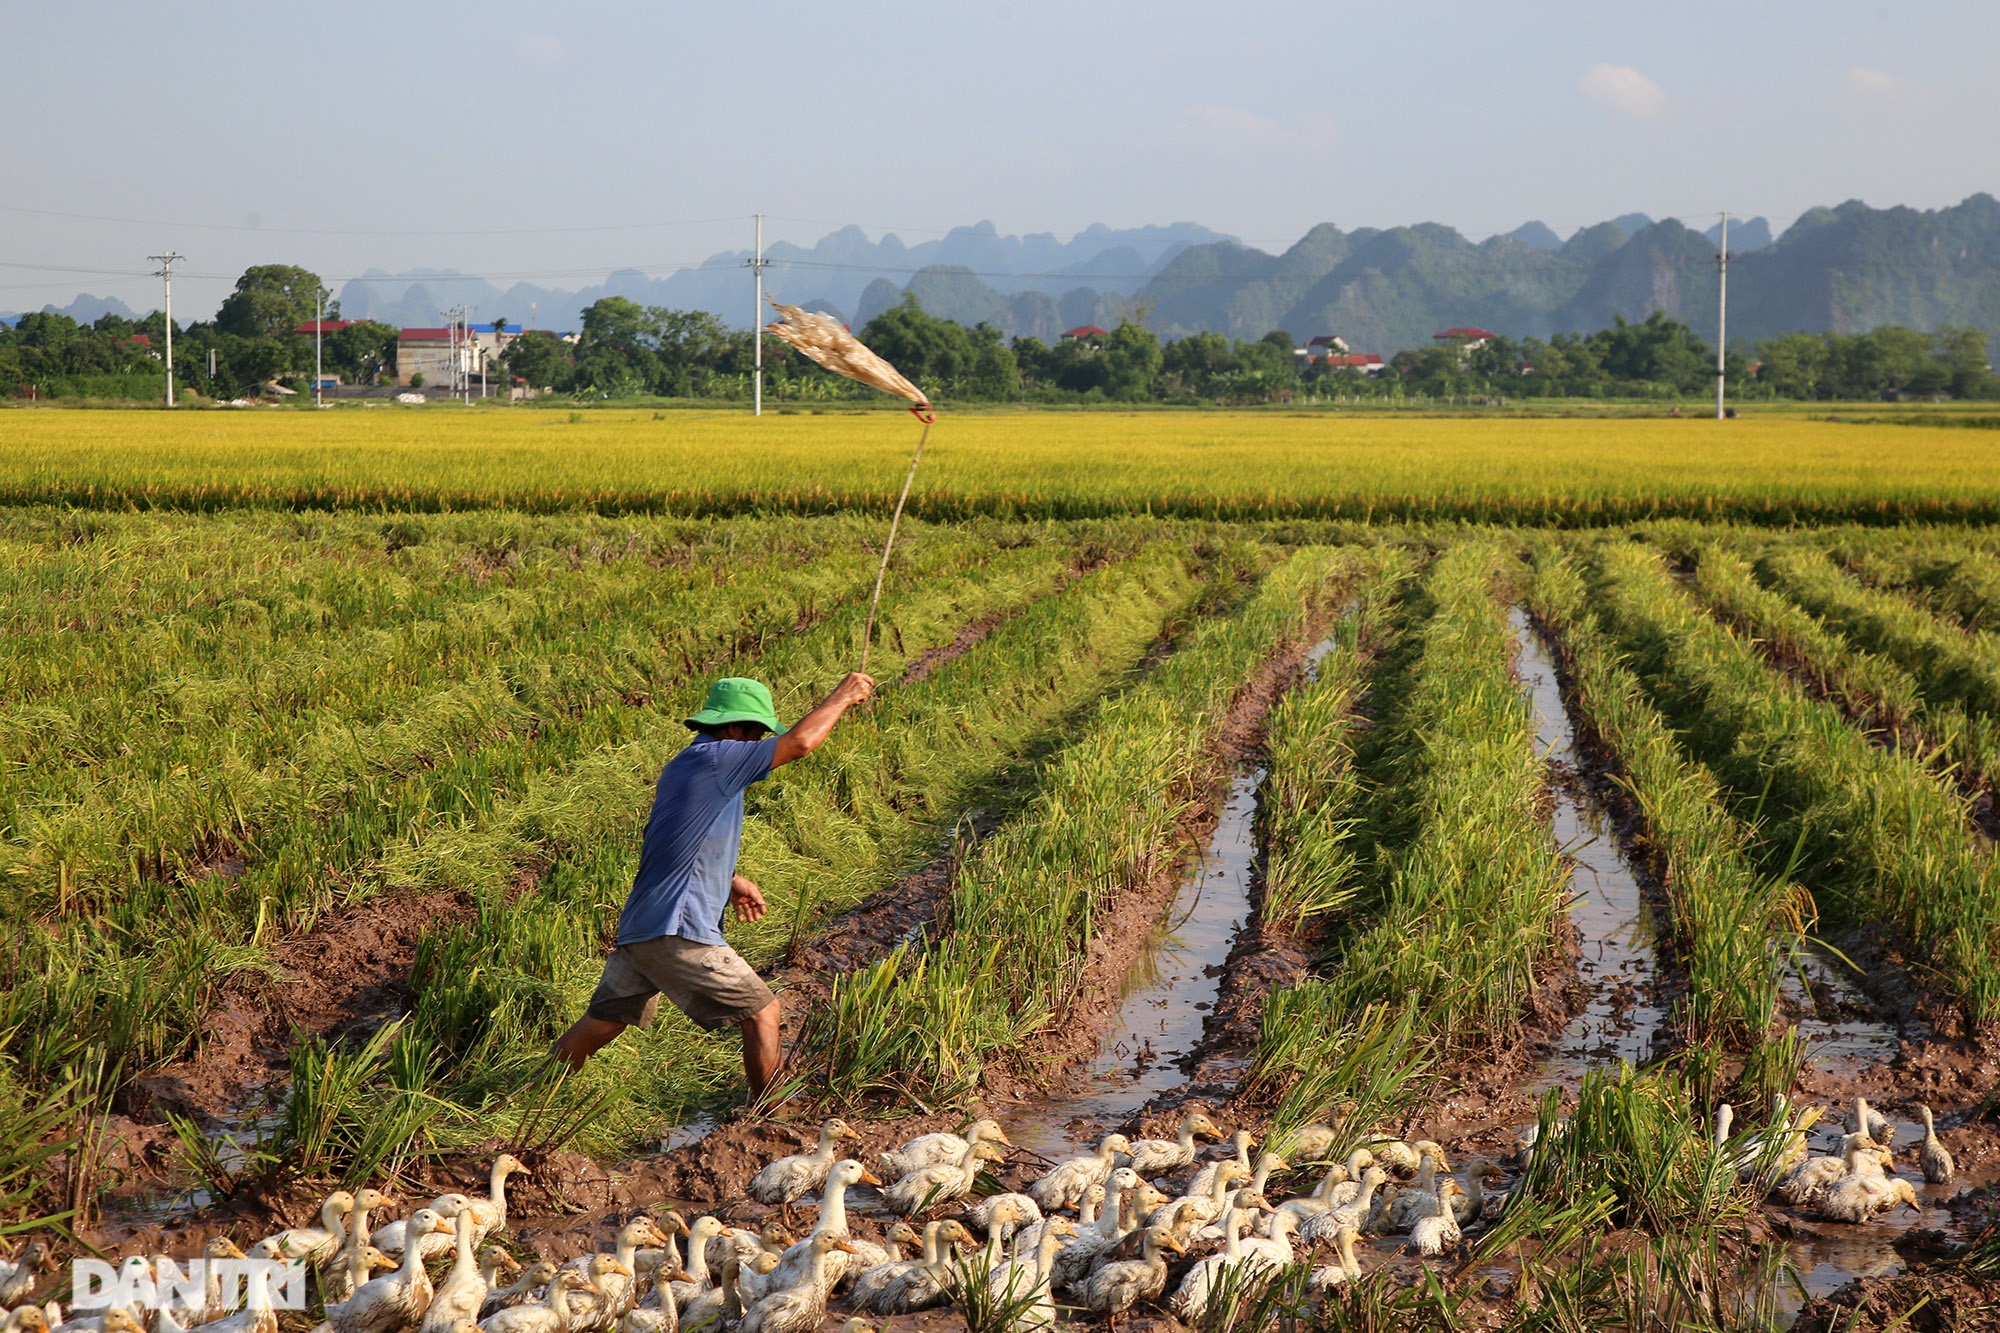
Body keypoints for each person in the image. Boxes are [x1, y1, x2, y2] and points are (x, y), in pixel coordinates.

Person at [549, 671, 875, 1103]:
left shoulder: (690, 764)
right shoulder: (720, 757)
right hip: (679, 928)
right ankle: (771, 1118)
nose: (759, 741)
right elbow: (800, 743)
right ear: (735, 727)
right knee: (763, 1012)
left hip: (643, 927)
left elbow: (674, 840)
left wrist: (728, 880)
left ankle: (534, 1094)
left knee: (604, 1021)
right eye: (756, 732)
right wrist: (843, 696)